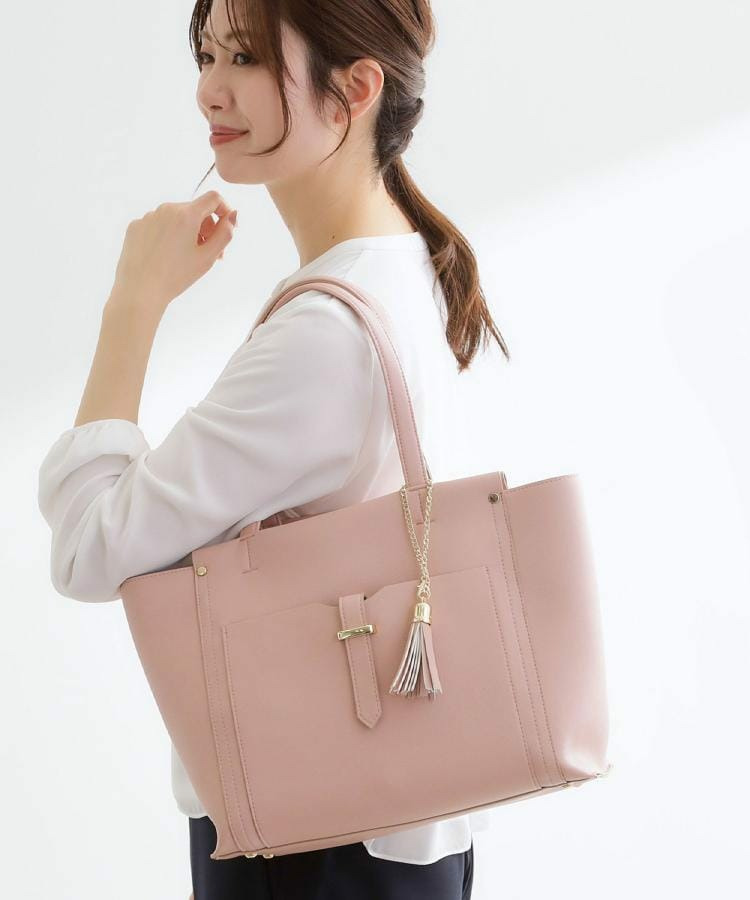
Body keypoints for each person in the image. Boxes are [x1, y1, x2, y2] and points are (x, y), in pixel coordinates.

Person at [37, 0, 510, 896]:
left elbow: (88, 547)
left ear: (355, 90)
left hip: (310, 840)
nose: (210, 91)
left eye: (246, 59)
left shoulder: (325, 334)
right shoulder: (404, 264)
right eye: (207, 55)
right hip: (390, 821)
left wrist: (132, 304)